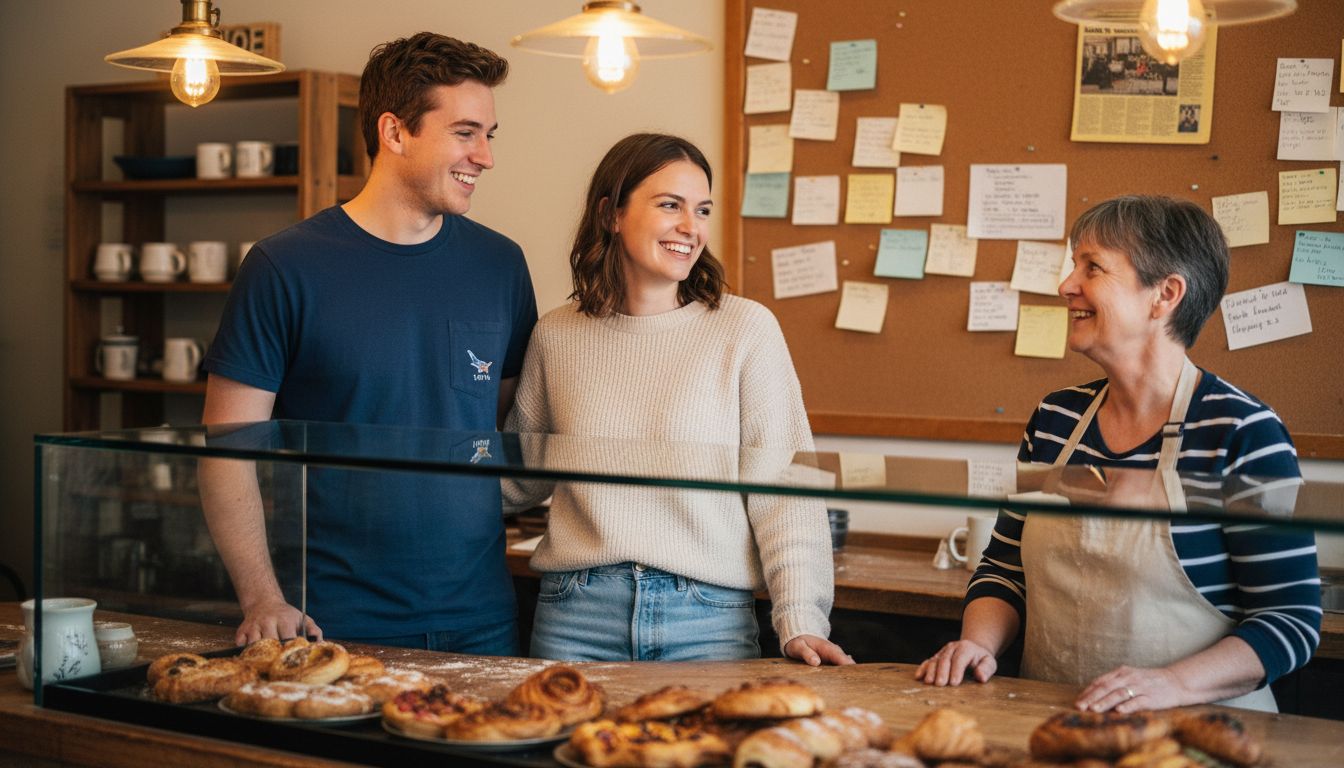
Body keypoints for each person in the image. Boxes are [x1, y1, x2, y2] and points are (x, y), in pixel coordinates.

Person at [199, 32, 538, 654]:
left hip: (482, 615)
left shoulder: (502, 265)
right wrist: (262, 598)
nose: (485, 156)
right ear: (394, 131)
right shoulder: (283, 266)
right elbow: (227, 452)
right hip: (332, 619)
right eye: (466, 133)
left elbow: (497, 426)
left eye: (490, 135)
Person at [916, 195, 1320, 712]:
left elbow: (1289, 620)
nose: (1066, 285)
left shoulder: (1241, 431)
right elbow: (1004, 567)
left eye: (1093, 267)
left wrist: (1172, 684)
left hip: (1197, 733)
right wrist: (978, 643)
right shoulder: (1056, 419)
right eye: (1072, 265)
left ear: (1165, 294)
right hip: (1053, 725)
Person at [504, 133, 851, 666]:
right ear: (611, 213)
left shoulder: (745, 329)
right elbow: (517, 477)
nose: (692, 228)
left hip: (707, 617)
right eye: (671, 205)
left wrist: (800, 618)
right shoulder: (556, 335)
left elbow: (788, 489)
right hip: (576, 614)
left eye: (702, 210)